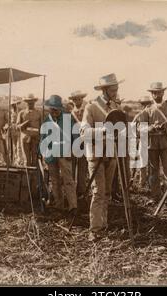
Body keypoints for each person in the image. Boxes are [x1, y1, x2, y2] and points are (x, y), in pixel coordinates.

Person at [80, 73, 122, 241]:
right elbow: (84, 133)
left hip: (110, 154)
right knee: (98, 192)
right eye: (113, 89)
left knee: (107, 192)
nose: (116, 92)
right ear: (104, 90)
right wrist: (103, 130)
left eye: (117, 89)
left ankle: (103, 225)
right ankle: (95, 229)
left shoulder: (115, 106)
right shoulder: (91, 107)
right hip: (96, 156)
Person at [39, 95, 78, 215]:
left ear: (60, 108)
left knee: (68, 180)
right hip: (51, 154)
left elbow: (76, 135)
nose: (54, 111)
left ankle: (73, 206)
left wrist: (73, 150)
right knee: (55, 181)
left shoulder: (68, 118)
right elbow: (43, 139)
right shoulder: (46, 121)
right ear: (49, 109)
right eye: (52, 109)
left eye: (56, 109)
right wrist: (43, 153)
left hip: (65, 153)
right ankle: (59, 205)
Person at [144, 82, 167, 203]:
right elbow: (140, 127)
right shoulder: (147, 110)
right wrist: (150, 128)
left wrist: (165, 128)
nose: (156, 94)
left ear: (163, 92)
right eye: (154, 92)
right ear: (151, 94)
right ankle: (155, 197)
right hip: (152, 143)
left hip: (165, 143)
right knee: (153, 171)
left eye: (158, 92)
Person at [68, 90, 89, 199]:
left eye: (79, 98)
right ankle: (71, 191)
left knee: (83, 168)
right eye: (75, 99)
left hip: (84, 142)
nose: (77, 101)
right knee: (72, 167)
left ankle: (81, 190)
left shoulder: (87, 109)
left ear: (82, 99)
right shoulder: (71, 112)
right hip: (74, 142)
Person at [131, 96, 153, 189]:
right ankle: (142, 181)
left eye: (148, 104)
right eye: (145, 104)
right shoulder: (140, 115)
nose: (147, 106)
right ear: (143, 105)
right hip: (143, 139)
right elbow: (132, 125)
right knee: (142, 161)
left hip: (152, 139)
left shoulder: (152, 114)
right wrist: (137, 134)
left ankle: (150, 182)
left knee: (151, 161)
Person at [17, 94, 42, 167]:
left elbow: (42, 126)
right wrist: (24, 124)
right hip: (25, 138)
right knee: (26, 159)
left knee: (35, 159)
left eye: (32, 101)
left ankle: (34, 177)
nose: (30, 103)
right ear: (26, 102)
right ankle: (27, 177)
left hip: (36, 138)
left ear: (34, 102)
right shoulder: (21, 113)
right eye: (29, 101)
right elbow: (17, 127)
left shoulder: (39, 113)